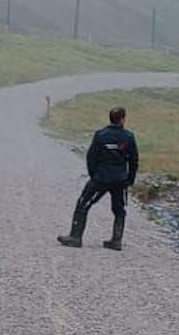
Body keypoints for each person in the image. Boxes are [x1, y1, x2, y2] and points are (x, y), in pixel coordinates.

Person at [57, 106, 138, 251]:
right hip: (120, 179)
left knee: (83, 204)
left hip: (101, 178)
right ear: (123, 119)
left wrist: (94, 175)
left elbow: (91, 157)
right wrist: (129, 179)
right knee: (119, 209)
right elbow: (133, 160)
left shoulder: (101, 135)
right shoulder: (129, 137)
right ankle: (116, 240)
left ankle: (75, 237)